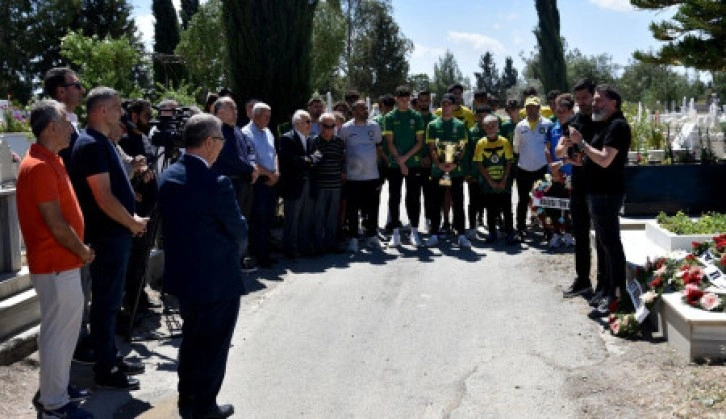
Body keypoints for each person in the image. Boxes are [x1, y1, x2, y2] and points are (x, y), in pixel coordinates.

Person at [158, 114, 244, 419]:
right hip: (217, 279)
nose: (222, 146)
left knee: (192, 341)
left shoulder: (168, 176)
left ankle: (187, 400)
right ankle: (204, 407)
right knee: (213, 346)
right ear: (208, 142)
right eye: (221, 140)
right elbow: (238, 230)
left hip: (184, 277)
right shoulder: (216, 183)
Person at [17, 100, 95, 419]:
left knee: (63, 333)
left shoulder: (52, 160)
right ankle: (54, 404)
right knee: (57, 334)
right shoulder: (39, 165)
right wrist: (82, 250)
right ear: (51, 128)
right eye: (66, 122)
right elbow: (55, 222)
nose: (71, 128)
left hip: (62, 263)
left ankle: (57, 390)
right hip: (56, 262)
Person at [69, 87, 147, 390]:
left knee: (110, 302)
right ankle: (106, 366)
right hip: (107, 235)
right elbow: (102, 197)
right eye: (116, 107)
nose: (121, 113)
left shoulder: (103, 142)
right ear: (101, 110)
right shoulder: (91, 145)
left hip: (115, 233)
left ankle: (110, 354)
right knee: (106, 302)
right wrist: (132, 222)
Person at [42, 67, 95, 365]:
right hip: (66, 221)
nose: (81, 89)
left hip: (81, 215)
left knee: (83, 284)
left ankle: (81, 338)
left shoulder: (73, 125)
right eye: (76, 84)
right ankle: (76, 344)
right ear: (61, 92)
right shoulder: (56, 127)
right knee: (73, 289)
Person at [567, 84, 631, 318]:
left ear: (613, 103)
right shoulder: (604, 125)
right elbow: (594, 158)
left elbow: (605, 160)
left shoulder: (618, 126)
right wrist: (579, 157)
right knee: (605, 245)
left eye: (599, 100)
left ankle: (616, 296)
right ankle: (606, 291)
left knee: (612, 246)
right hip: (596, 193)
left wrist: (582, 143)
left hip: (607, 193)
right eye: (593, 101)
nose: (594, 104)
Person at [555, 78, 604, 300]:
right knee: (580, 233)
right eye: (578, 98)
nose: (582, 102)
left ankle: (604, 284)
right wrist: (565, 154)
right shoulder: (572, 121)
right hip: (578, 184)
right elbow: (563, 148)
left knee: (602, 237)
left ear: (594, 96)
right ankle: (583, 279)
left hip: (600, 185)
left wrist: (582, 153)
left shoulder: (602, 120)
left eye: (585, 97)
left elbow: (602, 152)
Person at [211, 97, 258, 272]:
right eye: (231, 108)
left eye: (236, 108)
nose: (235, 111)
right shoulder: (217, 131)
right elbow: (229, 158)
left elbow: (247, 150)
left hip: (244, 182)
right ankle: (230, 261)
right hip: (229, 182)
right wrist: (250, 168)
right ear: (219, 112)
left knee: (242, 222)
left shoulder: (236, 130)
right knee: (229, 223)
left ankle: (240, 257)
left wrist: (253, 167)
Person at [425, 93, 471, 249]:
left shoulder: (459, 125)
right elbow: (431, 148)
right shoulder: (432, 125)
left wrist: (454, 164)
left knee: (458, 203)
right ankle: (434, 234)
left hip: (455, 172)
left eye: (448, 104)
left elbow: (462, 148)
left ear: (453, 106)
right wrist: (439, 164)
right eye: (443, 104)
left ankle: (462, 235)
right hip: (438, 171)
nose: (446, 107)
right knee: (435, 203)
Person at [339, 100, 385, 251]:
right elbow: (341, 150)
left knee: (372, 207)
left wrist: (382, 168)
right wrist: (343, 170)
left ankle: (372, 235)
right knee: (353, 209)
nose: (365, 111)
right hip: (353, 177)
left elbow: (378, 147)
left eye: (365, 108)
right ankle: (353, 238)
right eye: (361, 109)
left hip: (372, 175)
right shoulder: (346, 128)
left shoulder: (374, 126)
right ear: (353, 112)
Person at [383, 85, 425, 247]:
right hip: (395, 164)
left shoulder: (416, 116)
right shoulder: (390, 117)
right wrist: (400, 162)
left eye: (407, 100)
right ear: (396, 99)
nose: (405, 103)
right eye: (402, 100)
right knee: (394, 197)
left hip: (413, 163)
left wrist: (405, 160)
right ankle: (395, 233)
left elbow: (420, 142)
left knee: (413, 197)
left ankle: (414, 231)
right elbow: (389, 142)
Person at [278, 110, 318, 258]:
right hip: (294, 185)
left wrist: (306, 160)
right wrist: (309, 160)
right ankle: (289, 248)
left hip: (309, 183)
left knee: (306, 216)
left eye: (310, 121)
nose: (310, 124)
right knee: (292, 218)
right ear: (298, 123)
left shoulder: (311, 139)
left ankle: (304, 245)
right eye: (308, 121)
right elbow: (292, 161)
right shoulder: (287, 139)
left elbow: (318, 157)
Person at [243, 102, 279, 267]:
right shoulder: (246, 133)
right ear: (256, 116)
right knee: (258, 219)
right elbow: (251, 161)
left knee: (269, 218)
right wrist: (269, 174)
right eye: (266, 116)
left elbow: (274, 153)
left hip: (272, 179)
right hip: (259, 181)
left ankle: (266, 251)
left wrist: (276, 171)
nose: (269, 119)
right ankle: (259, 254)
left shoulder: (268, 132)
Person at [512, 96, 552, 240]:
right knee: (522, 200)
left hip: (542, 169)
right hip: (524, 168)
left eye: (534, 107)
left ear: (539, 108)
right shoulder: (520, 126)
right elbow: (515, 148)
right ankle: (521, 227)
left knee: (543, 199)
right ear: (525, 109)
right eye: (528, 107)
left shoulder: (548, 124)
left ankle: (547, 227)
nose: (531, 110)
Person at [473, 114, 516, 245]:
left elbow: (509, 161)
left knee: (507, 208)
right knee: (490, 209)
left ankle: (509, 233)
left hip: (504, 183)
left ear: (498, 126)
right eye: (488, 126)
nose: (491, 128)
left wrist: (503, 180)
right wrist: (490, 181)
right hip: (488, 184)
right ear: (484, 127)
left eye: (493, 125)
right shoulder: (481, 143)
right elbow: (479, 163)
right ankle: (492, 232)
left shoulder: (504, 141)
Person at [312, 112, 346, 253]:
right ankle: (318, 245)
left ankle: (331, 244)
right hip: (320, 185)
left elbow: (343, 160)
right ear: (320, 126)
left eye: (332, 126)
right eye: (326, 126)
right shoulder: (314, 141)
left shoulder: (339, 142)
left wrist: (343, 171)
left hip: (336, 185)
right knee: (319, 216)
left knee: (333, 216)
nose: (329, 129)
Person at [416, 90, 438, 233]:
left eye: (426, 100)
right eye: (421, 100)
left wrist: (430, 157)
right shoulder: (413, 118)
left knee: (431, 194)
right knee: (413, 195)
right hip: (416, 163)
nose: (424, 103)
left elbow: (438, 142)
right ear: (418, 102)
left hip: (432, 164)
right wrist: (420, 157)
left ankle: (429, 220)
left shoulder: (435, 119)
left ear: (430, 101)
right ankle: (414, 224)